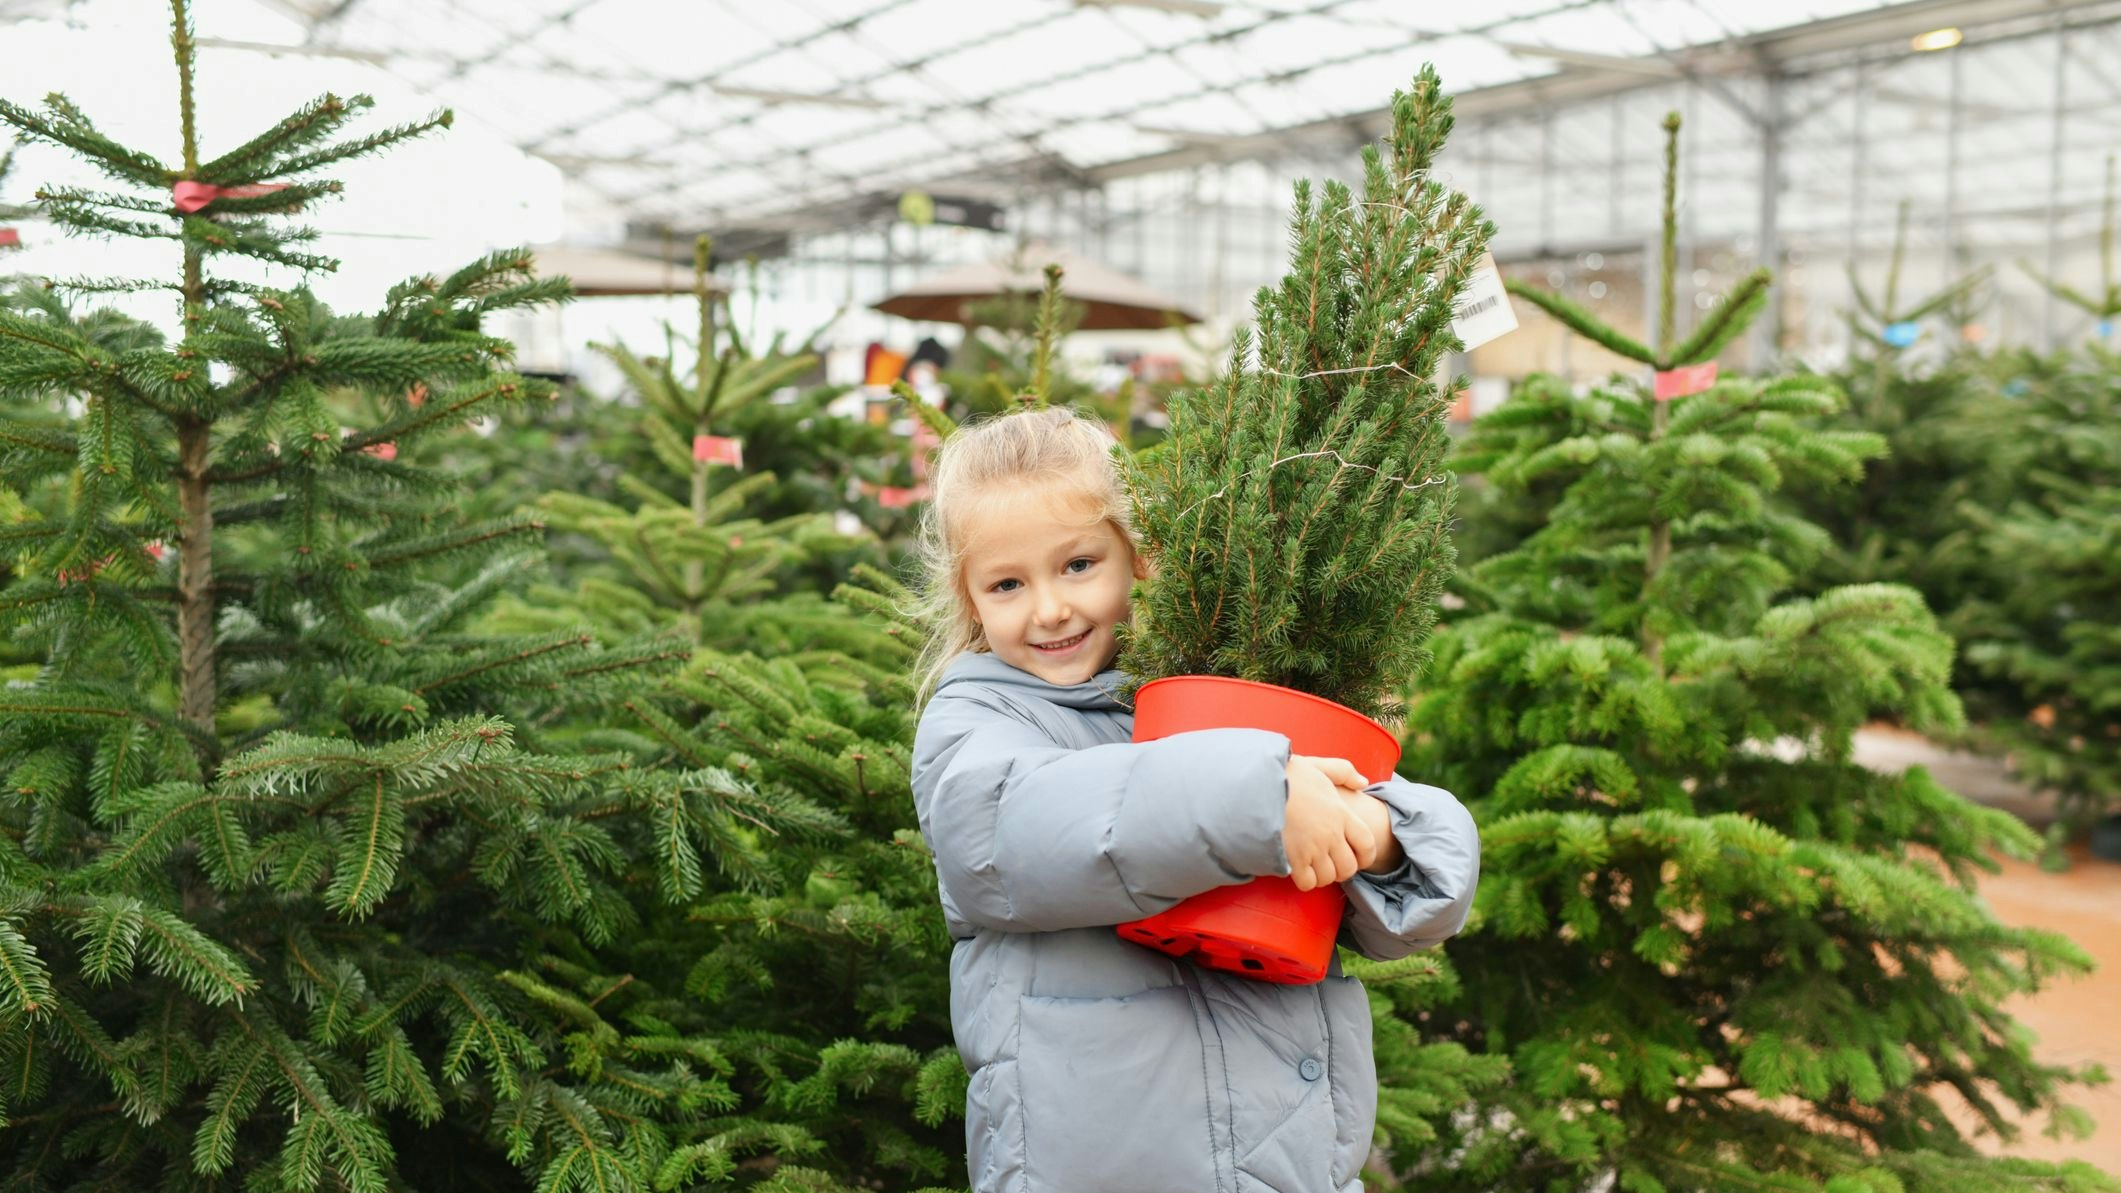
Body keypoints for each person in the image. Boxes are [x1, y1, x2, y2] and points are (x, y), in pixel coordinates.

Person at [908, 406, 1482, 1193]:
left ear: (1136, 556)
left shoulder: (1213, 681)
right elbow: (1008, 834)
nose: (1048, 607)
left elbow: (1437, 878)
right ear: (970, 600)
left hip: (1286, 1158)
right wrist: (1259, 795)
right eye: (1007, 583)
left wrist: (1373, 833)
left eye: (1078, 564)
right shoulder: (977, 720)